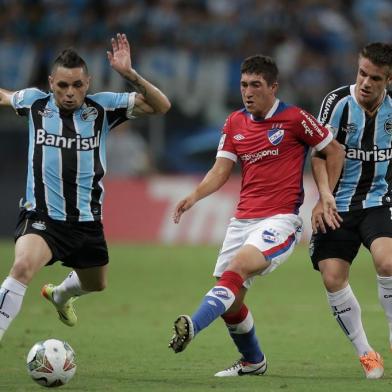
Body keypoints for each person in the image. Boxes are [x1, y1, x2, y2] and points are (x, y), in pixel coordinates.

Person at [168, 54, 344, 376]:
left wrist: (324, 197)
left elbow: (333, 150)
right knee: (230, 300)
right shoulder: (235, 121)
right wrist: (194, 195)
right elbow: (221, 170)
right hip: (242, 221)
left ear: (273, 87)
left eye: (256, 85)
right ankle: (253, 361)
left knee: (236, 270)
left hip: (280, 219)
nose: (248, 92)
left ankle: (193, 324)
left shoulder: (294, 118)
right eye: (243, 85)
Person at [0, 33, 170, 342]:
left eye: (77, 85)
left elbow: (161, 106)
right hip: (42, 217)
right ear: (51, 83)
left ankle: (61, 295)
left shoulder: (103, 108)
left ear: (87, 83)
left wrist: (129, 74)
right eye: (63, 85)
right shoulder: (34, 103)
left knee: (96, 283)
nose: (69, 93)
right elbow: (4, 96)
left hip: (86, 221)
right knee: (23, 266)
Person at [310, 42, 392, 379]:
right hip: (338, 203)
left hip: (378, 200)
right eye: (362, 73)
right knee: (332, 277)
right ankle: (366, 354)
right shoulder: (336, 103)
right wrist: (323, 195)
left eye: (375, 77)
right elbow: (318, 154)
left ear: (388, 79)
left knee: (388, 260)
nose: (366, 82)